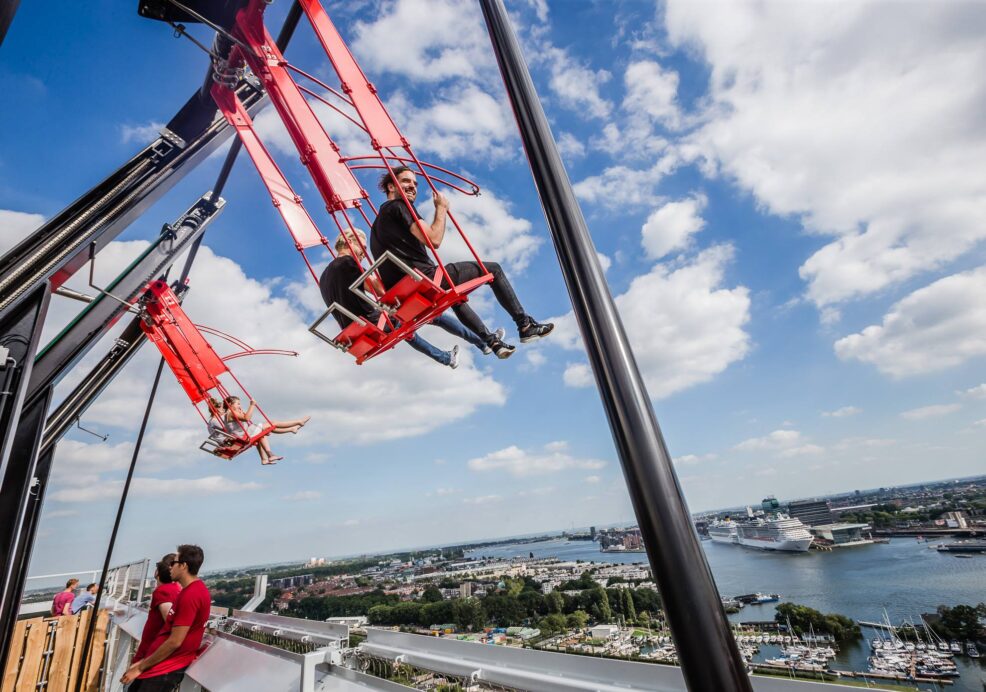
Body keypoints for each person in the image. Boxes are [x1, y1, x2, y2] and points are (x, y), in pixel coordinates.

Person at [370, 167, 553, 358]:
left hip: (404, 295)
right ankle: (525, 325)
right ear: (391, 186)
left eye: (415, 183)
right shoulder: (400, 206)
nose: (413, 187)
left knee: (454, 297)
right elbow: (434, 239)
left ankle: (492, 342)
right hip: (425, 280)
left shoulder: (376, 226)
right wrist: (441, 208)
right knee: (494, 270)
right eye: (406, 181)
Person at [319, 229, 505, 368]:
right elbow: (379, 289)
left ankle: (447, 358)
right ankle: (484, 343)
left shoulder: (324, 277)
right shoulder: (350, 263)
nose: (363, 253)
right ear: (350, 241)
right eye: (363, 247)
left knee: (407, 329)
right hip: (375, 324)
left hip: (357, 334)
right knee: (430, 311)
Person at [121, 544, 211, 691]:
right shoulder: (187, 592)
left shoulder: (191, 595)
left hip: (165, 670)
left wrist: (140, 667)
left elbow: (175, 641)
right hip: (158, 666)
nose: (169, 567)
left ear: (183, 566)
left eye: (173, 563)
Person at [223, 396, 310, 465]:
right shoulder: (231, 413)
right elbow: (247, 418)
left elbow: (244, 418)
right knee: (273, 423)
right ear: (230, 404)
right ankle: (299, 421)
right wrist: (252, 405)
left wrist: (242, 412)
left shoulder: (229, 414)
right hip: (244, 436)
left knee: (264, 432)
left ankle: (267, 457)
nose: (239, 406)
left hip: (244, 435)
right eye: (238, 404)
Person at [133, 554, 182, 665]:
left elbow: (171, 622)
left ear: (157, 572)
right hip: (155, 653)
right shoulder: (175, 589)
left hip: (150, 655)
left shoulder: (162, 592)